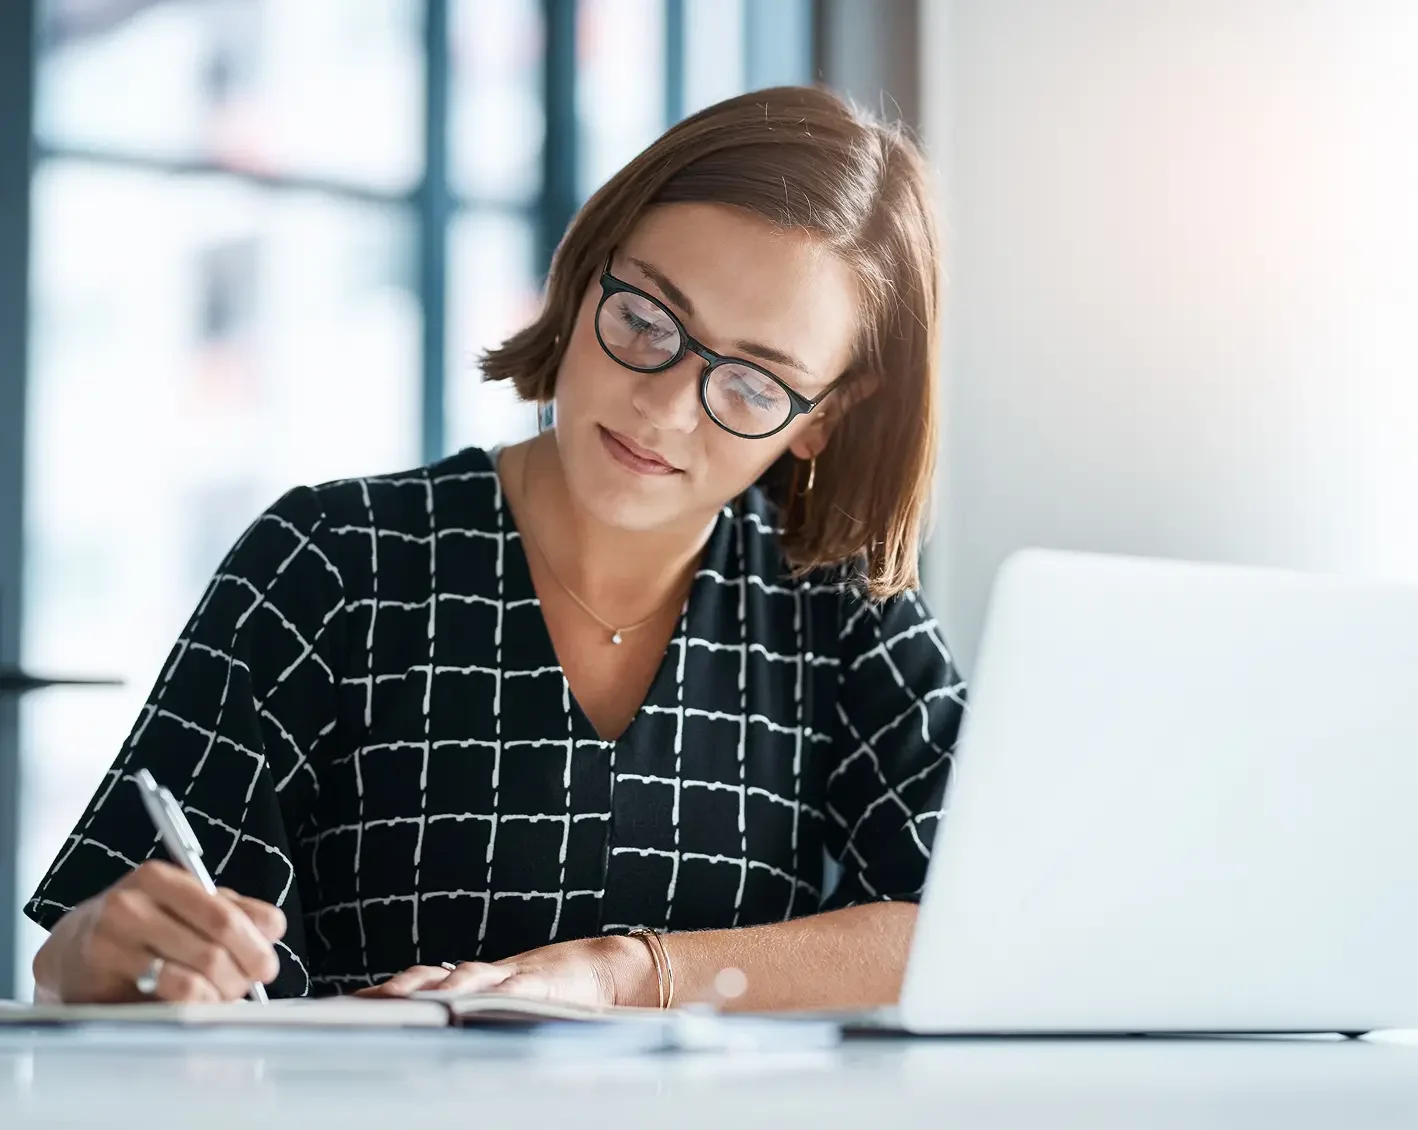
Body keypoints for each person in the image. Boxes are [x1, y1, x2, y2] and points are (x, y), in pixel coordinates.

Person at [27, 85, 966, 1011]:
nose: (665, 406)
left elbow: (975, 922)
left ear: (825, 417)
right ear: (585, 267)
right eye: (645, 321)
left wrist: (625, 974)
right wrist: (101, 957)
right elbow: (88, 958)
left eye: (756, 385)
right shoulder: (333, 565)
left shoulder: (839, 609)